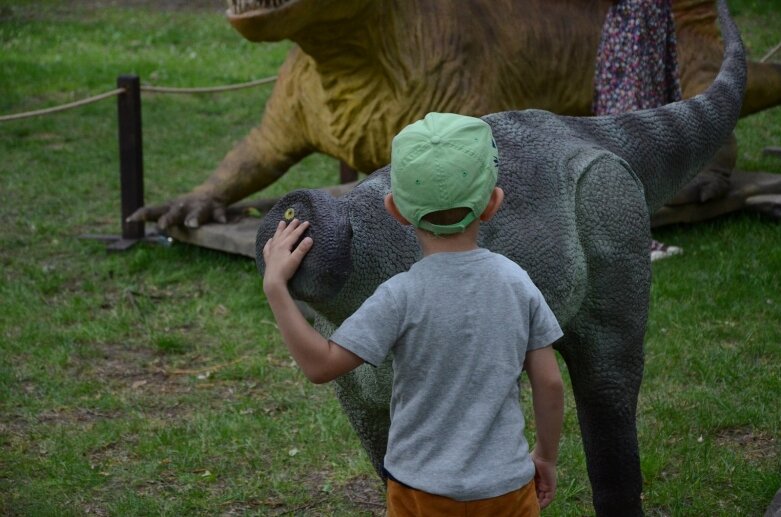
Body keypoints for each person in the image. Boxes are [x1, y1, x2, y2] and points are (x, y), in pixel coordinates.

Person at [262, 112, 565, 516]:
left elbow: (322, 366)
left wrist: (276, 288)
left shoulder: (399, 296)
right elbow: (549, 382)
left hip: (420, 492)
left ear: (396, 209)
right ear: (493, 203)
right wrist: (545, 455)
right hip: (505, 488)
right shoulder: (517, 283)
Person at [593, 0, 684, 261]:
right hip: (633, 26)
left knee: (649, 127)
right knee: (628, 130)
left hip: (653, 20)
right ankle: (632, 241)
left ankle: (637, 236)